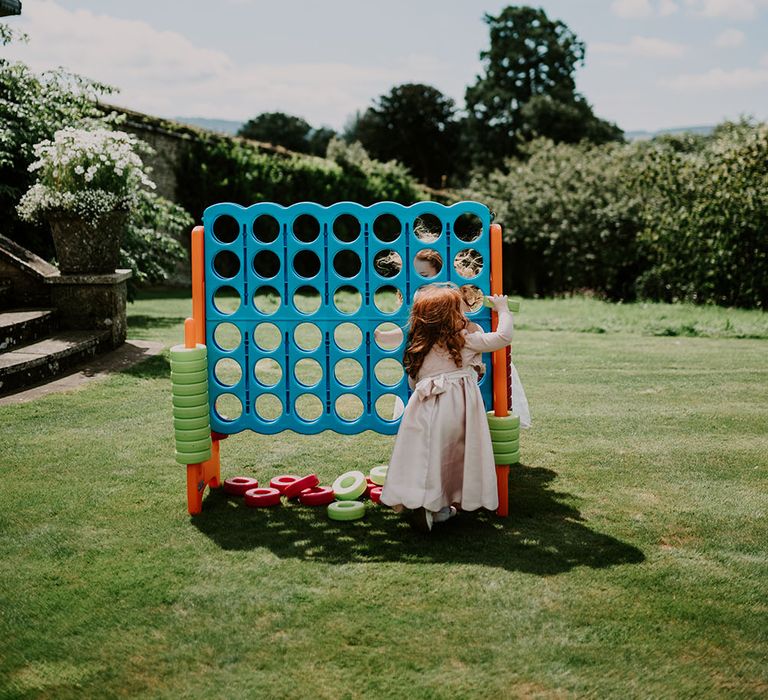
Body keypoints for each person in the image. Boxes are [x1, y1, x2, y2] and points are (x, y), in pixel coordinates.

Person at [376, 285, 514, 533]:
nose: (465, 316)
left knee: (426, 455)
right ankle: (443, 503)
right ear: (450, 316)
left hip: (422, 407)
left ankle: (426, 502)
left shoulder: (420, 343)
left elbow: (414, 380)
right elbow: (502, 337)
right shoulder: (463, 340)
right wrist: (503, 310)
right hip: (456, 406)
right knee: (453, 455)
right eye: (461, 311)